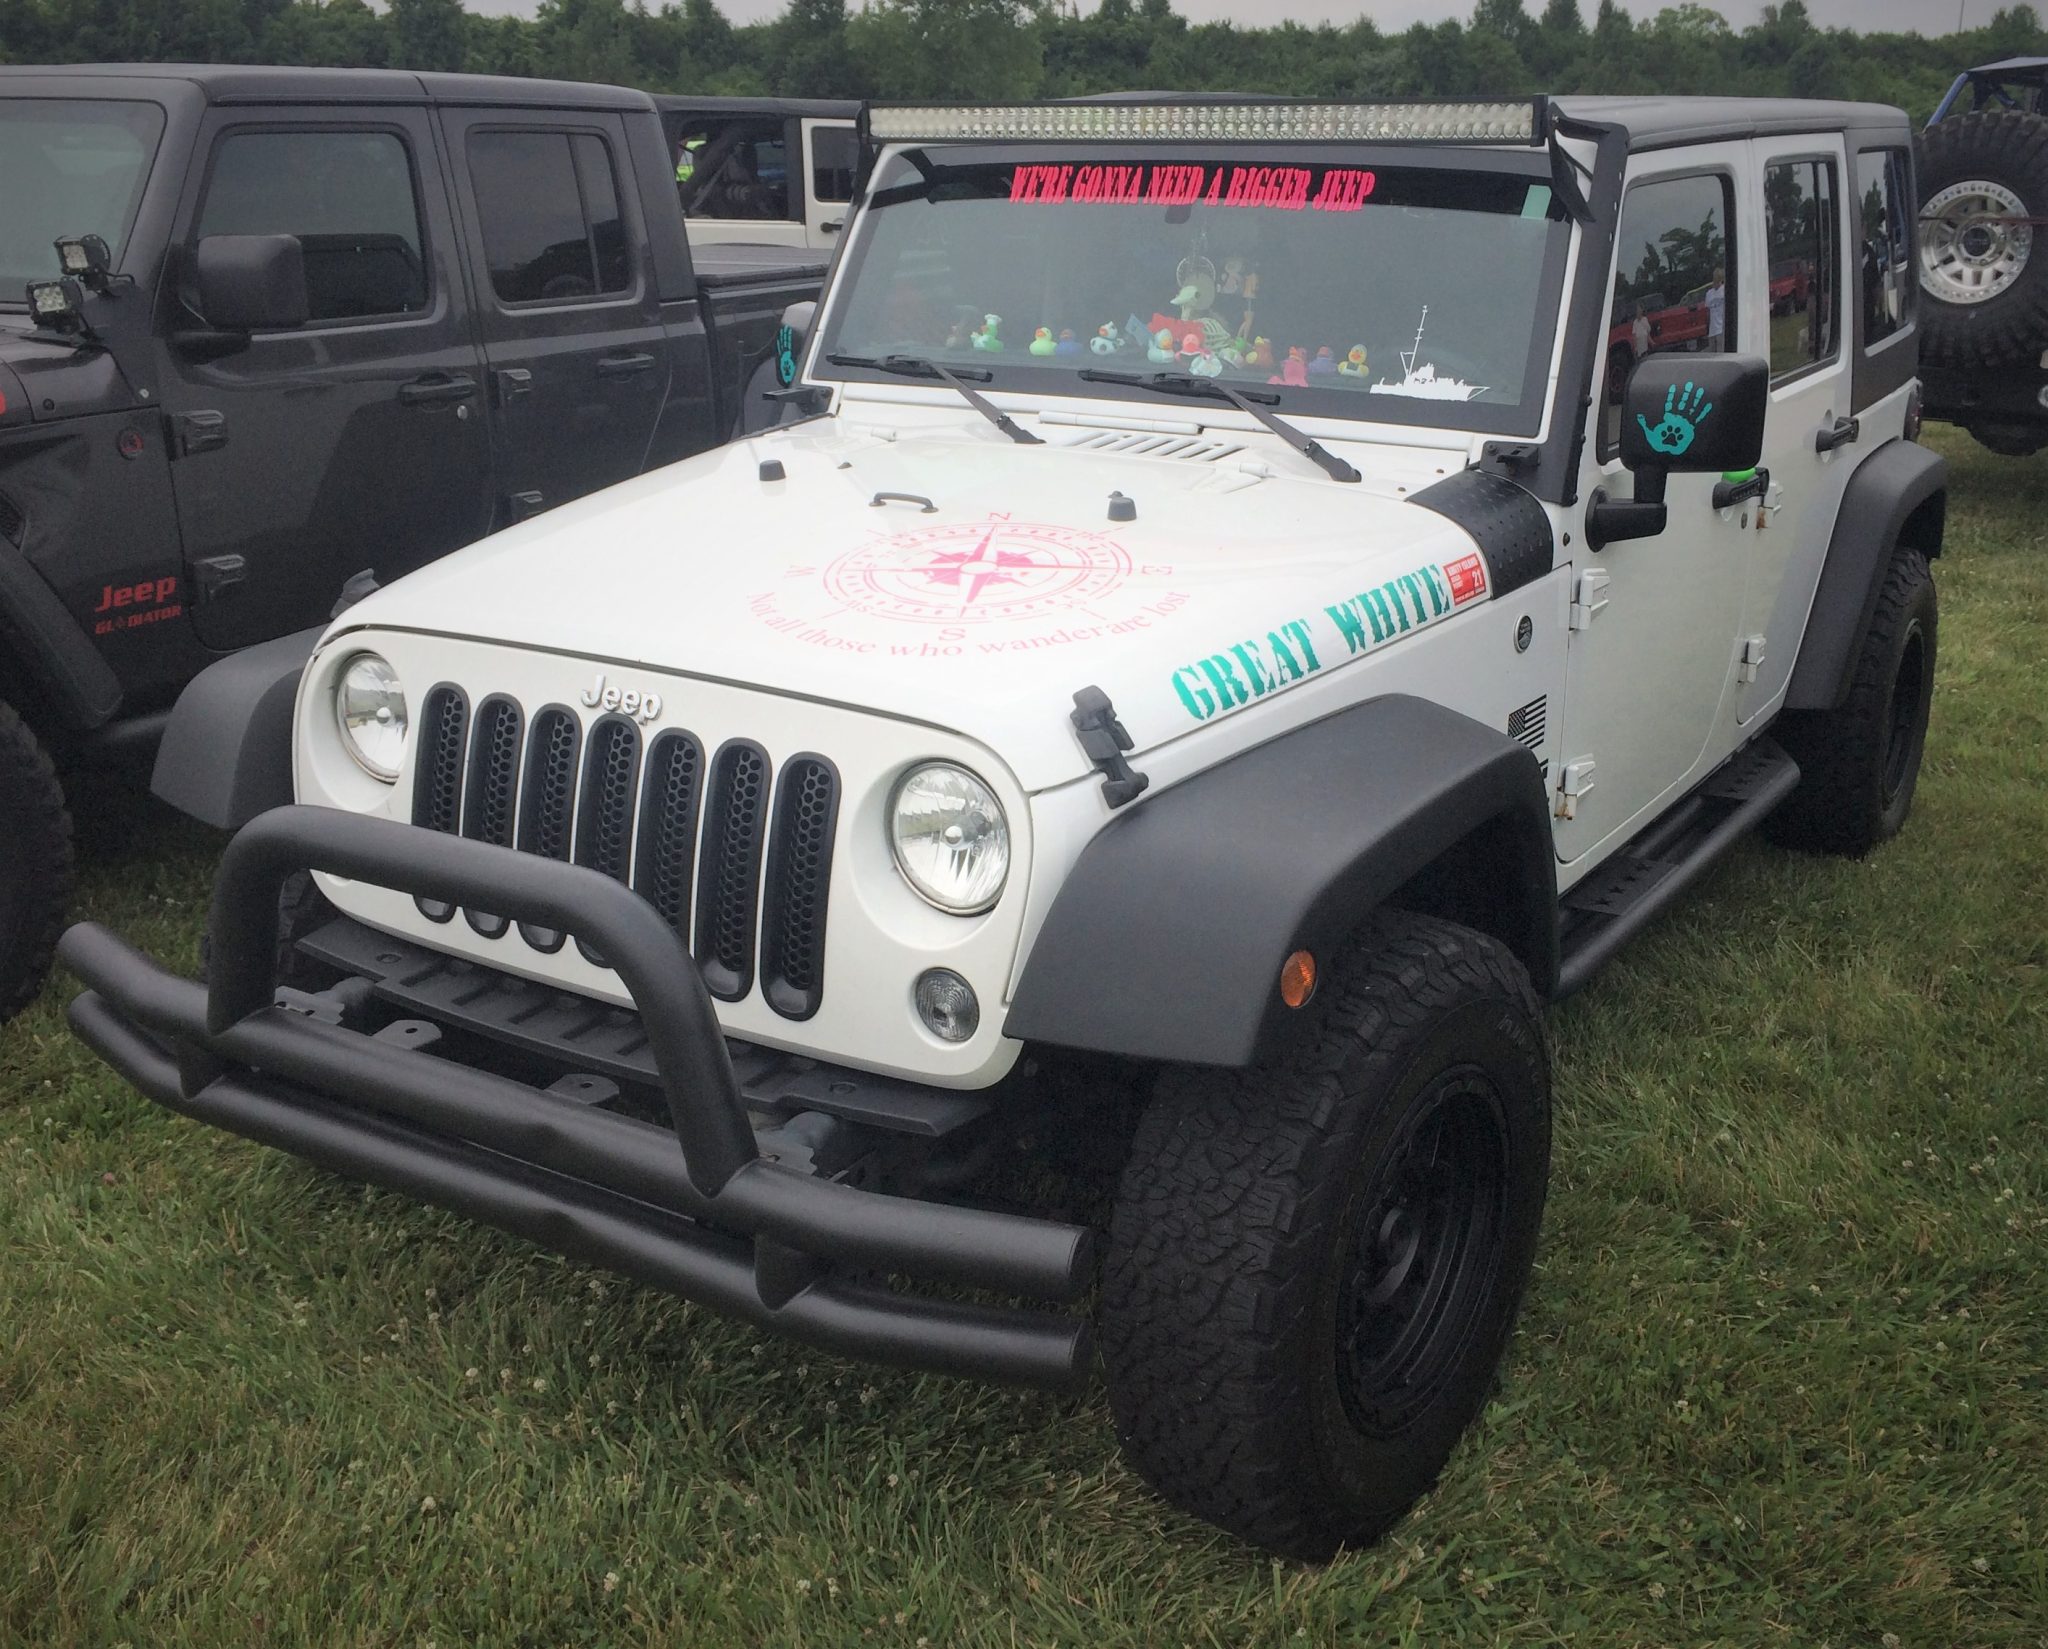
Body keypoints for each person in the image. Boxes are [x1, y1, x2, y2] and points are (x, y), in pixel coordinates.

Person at [1704, 266, 1726, 352]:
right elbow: (1708, 311)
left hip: (1721, 328)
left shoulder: (1724, 290)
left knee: (1721, 350)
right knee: (1712, 352)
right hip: (1712, 330)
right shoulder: (1709, 293)